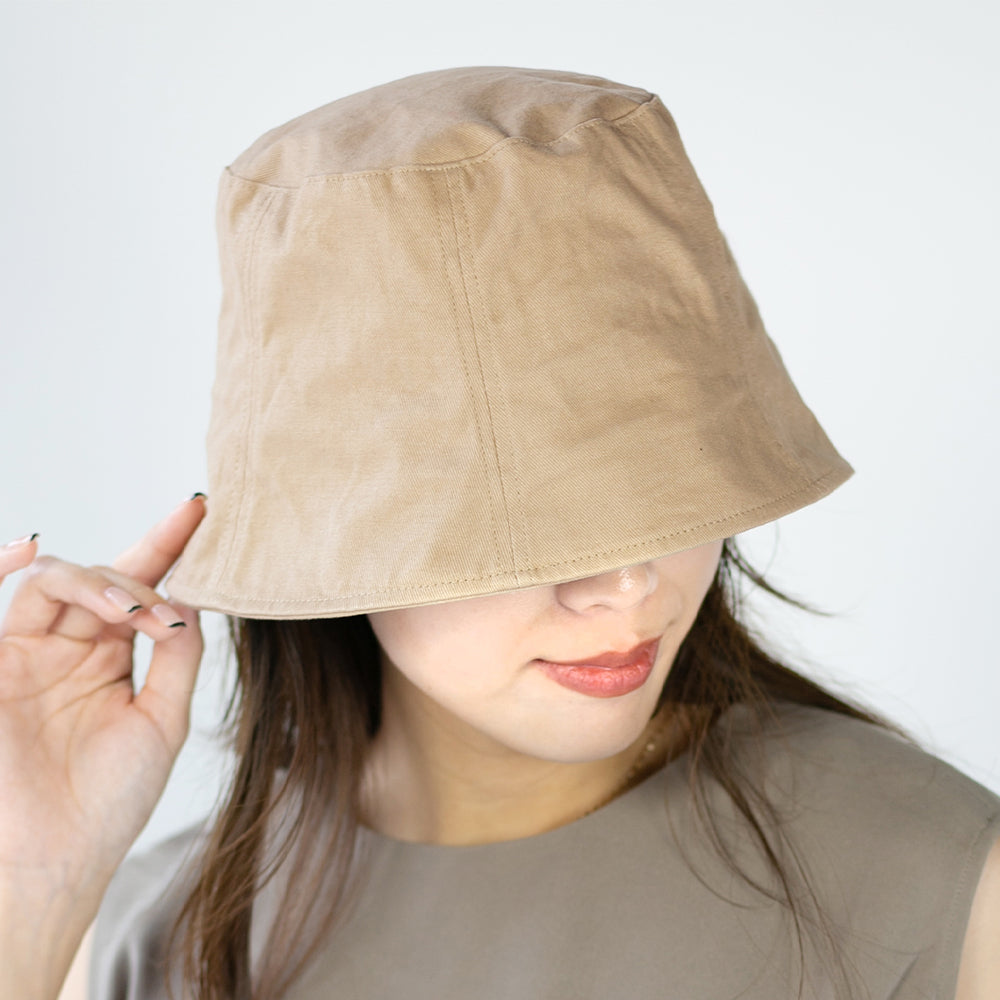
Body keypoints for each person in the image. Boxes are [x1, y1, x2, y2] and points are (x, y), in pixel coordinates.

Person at [1, 67, 997, 1000]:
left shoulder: (930, 877)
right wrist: (33, 887)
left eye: (659, 483)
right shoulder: (150, 929)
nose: (624, 585)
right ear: (328, 528)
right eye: (518, 519)